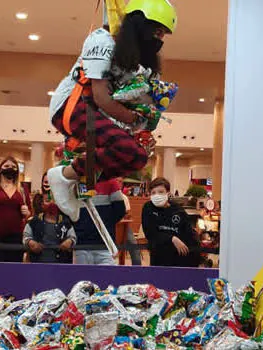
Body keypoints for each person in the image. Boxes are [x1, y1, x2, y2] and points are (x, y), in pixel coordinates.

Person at [47, 0, 177, 222]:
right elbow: (101, 97)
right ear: (139, 24)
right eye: (156, 31)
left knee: (136, 157)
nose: (159, 39)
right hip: (71, 106)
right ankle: (62, 176)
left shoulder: (137, 63)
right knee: (124, 147)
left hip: (96, 111)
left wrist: (143, 127)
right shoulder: (102, 41)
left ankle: (71, 176)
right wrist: (135, 120)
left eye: (163, 34)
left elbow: (125, 102)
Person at [142, 177, 200, 267]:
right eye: (153, 193)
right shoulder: (148, 208)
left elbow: (188, 232)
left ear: (168, 193)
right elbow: (150, 233)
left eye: (160, 192)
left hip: (179, 259)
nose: (157, 195)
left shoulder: (178, 210)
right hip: (159, 258)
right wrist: (172, 239)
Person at [23, 173, 76, 264]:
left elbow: (73, 236)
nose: (51, 204)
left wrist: (70, 241)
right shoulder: (35, 221)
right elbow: (26, 236)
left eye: (54, 201)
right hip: (38, 262)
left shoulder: (65, 221)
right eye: (47, 201)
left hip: (60, 263)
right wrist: (30, 242)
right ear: (42, 204)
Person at [74, 179, 126, 265]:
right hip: (82, 244)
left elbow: (120, 210)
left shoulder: (111, 181)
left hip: (105, 244)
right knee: (83, 277)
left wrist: (105, 224)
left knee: (106, 277)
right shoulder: (76, 181)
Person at [119, 178, 142, 266]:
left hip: (123, 226)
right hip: (107, 226)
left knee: (134, 246)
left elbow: (128, 214)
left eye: (120, 182)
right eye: (116, 181)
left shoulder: (124, 198)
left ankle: (137, 270)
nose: (118, 183)